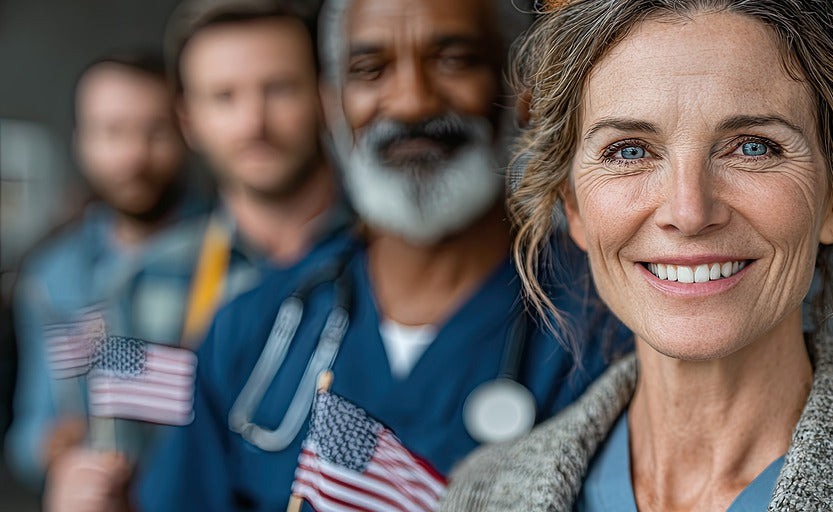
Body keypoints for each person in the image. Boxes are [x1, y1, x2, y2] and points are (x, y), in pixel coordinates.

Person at [440, 0, 833, 510]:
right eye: (628, 151)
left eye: (752, 147)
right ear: (572, 205)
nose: (689, 211)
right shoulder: (479, 495)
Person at [134, 0, 627, 510]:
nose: (412, 103)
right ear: (332, 104)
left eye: (454, 60)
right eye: (370, 70)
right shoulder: (250, 328)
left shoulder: (605, 324)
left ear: (522, 89)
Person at [5, 51, 202, 504]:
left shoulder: (233, 256)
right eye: (112, 131)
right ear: (81, 139)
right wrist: (50, 450)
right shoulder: (51, 274)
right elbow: (29, 426)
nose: (134, 155)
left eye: (155, 130)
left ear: (188, 130)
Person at [165, 0, 351, 347]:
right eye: (224, 96)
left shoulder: (395, 259)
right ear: (188, 121)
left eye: (279, 89)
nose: (254, 123)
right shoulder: (148, 281)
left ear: (326, 99)